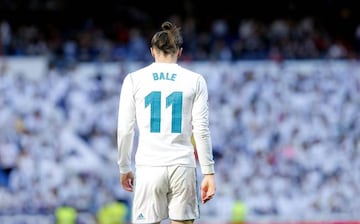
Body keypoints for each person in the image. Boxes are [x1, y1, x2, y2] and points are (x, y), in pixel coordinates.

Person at [116, 21, 216, 224]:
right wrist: (208, 172)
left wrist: (124, 166)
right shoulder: (195, 80)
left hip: (148, 165)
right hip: (182, 165)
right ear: (179, 52)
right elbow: (201, 130)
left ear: (152, 51)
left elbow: (126, 130)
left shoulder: (134, 79)